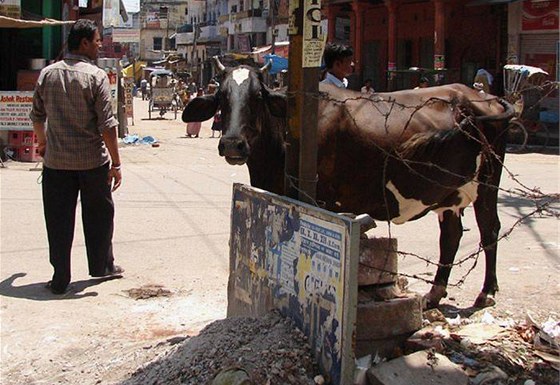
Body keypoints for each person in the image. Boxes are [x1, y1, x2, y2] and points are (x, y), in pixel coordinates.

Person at [29, 19, 124, 295]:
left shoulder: (47, 74)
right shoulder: (95, 77)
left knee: (58, 220)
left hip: (56, 164)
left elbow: (36, 117)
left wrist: (44, 144)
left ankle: (60, 277)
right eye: (96, 41)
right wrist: (116, 163)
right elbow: (107, 125)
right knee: (99, 217)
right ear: (83, 43)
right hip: (93, 163)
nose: (99, 45)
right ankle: (101, 267)